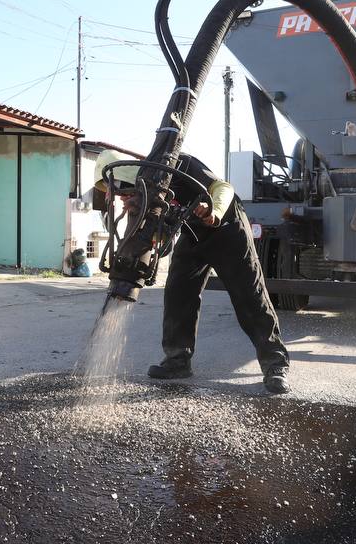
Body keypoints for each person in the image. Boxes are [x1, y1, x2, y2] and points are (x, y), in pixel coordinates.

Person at [95, 149, 291, 393]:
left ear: (129, 176)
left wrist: (214, 211)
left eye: (125, 192)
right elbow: (162, 234)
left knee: (249, 296)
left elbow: (223, 187)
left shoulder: (178, 163)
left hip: (227, 228)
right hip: (193, 234)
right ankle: (177, 360)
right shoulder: (148, 198)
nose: (124, 197)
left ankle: (275, 364)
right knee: (178, 292)